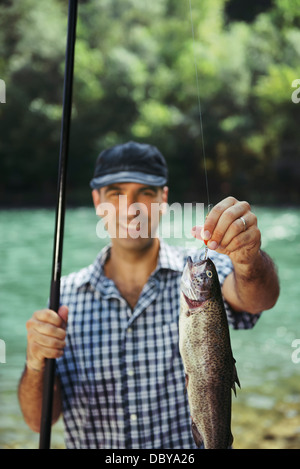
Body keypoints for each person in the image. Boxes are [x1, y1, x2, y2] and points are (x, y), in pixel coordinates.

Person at [18, 141, 280, 449]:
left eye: (145, 192)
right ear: (97, 201)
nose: (131, 209)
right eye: (116, 193)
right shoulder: (62, 297)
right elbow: (38, 421)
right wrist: (36, 362)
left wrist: (247, 259)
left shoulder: (202, 270)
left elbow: (259, 298)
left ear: (163, 199)